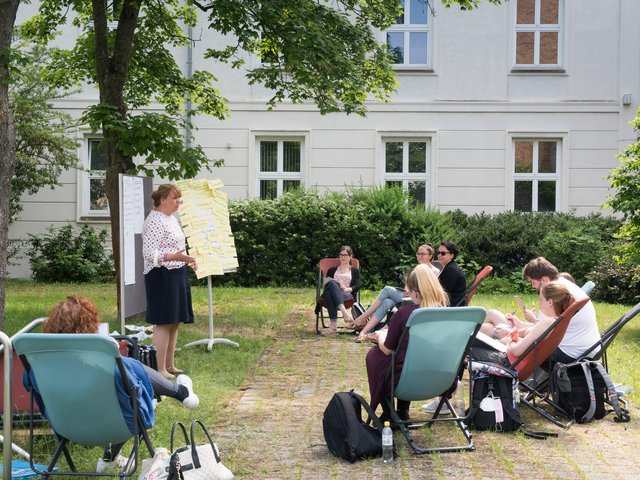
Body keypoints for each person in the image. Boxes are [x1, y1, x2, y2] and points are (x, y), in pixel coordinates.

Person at [37, 295, 199, 473]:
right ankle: (179, 391)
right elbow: (137, 384)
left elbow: (31, 387)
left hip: (66, 426)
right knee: (132, 392)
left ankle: (110, 458)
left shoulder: (39, 366)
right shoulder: (109, 363)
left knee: (123, 393)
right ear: (91, 328)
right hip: (116, 426)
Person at [365, 264, 448, 422]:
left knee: (375, 355)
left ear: (415, 291)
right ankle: (403, 411)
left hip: (406, 380)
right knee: (408, 355)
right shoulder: (446, 314)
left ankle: (389, 411)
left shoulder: (405, 313)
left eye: (409, 288)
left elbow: (388, 350)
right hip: (440, 379)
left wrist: (379, 337)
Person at [480, 257, 599, 365]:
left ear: (544, 279)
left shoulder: (553, 295)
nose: (533, 287)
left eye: (533, 282)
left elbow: (540, 332)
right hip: (584, 349)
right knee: (492, 321)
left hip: (568, 354)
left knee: (489, 329)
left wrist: (511, 335)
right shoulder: (564, 286)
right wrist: (520, 326)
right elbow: (542, 328)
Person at [142, 183, 196, 379]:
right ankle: (158, 369)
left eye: (179, 198)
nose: (178, 202)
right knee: (164, 321)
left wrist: (188, 261)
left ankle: (169, 365)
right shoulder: (154, 220)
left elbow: (177, 249)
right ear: (162, 200)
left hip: (176, 272)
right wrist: (174, 257)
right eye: (175, 198)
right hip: (161, 275)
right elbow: (149, 254)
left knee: (174, 321)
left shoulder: (170, 219)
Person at [470, 281, 575, 367]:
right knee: (478, 335)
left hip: (508, 362)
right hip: (512, 359)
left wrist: (511, 339)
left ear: (550, 302)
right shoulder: (556, 321)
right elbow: (529, 342)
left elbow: (516, 351)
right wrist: (514, 333)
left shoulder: (547, 322)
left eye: (541, 300)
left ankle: (455, 384)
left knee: (466, 347)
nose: (539, 303)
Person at [352, 243, 441, 342]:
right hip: (409, 296)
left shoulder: (435, 271)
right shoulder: (415, 269)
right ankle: (364, 332)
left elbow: (431, 289)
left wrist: (413, 291)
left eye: (422, 254)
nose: (419, 256)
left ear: (430, 256)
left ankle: (363, 318)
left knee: (387, 289)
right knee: (387, 302)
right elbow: (407, 287)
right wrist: (408, 290)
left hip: (421, 298)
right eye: (418, 253)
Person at [320, 245, 361, 336]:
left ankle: (333, 326)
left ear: (350, 257)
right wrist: (335, 285)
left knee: (330, 292)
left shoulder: (354, 271)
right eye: (341, 255)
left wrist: (347, 289)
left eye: (345, 255)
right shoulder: (332, 270)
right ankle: (345, 312)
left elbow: (357, 285)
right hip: (332, 294)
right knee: (331, 285)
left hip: (346, 295)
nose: (343, 257)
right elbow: (326, 285)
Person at [436, 241, 467, 307]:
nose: (439, 255)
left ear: (452, 255)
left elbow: (443, 293)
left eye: (443, 253)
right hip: (449, 305)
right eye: (438, 253)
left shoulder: (451, 270)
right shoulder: (450, 267)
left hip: (451, 308)